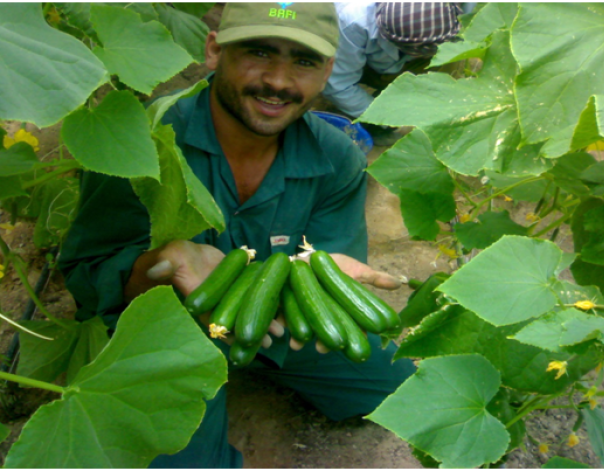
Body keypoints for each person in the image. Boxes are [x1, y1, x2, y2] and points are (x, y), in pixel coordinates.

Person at [58, 3, 415, 468]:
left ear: (328, 71)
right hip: (172, 327)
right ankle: (218, 373)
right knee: (178, 460)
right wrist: (159, 266)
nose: (279, 80)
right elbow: (89, 276)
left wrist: (321, 273)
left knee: (398, 388)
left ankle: (249, 359)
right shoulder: (141, 138)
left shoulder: (338, 157)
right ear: (213, 50)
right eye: (259, 51)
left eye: (304, 61)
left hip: (281, 319)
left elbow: (330, 259)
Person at [322, 2, 474, 146]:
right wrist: (386, 117)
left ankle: (394, 95)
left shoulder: (453, 10)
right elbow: (338, 85)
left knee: (446, 63)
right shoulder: (350, 23)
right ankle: (374, 118)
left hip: (398, 52)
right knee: (344, 86)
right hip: (352, 57)